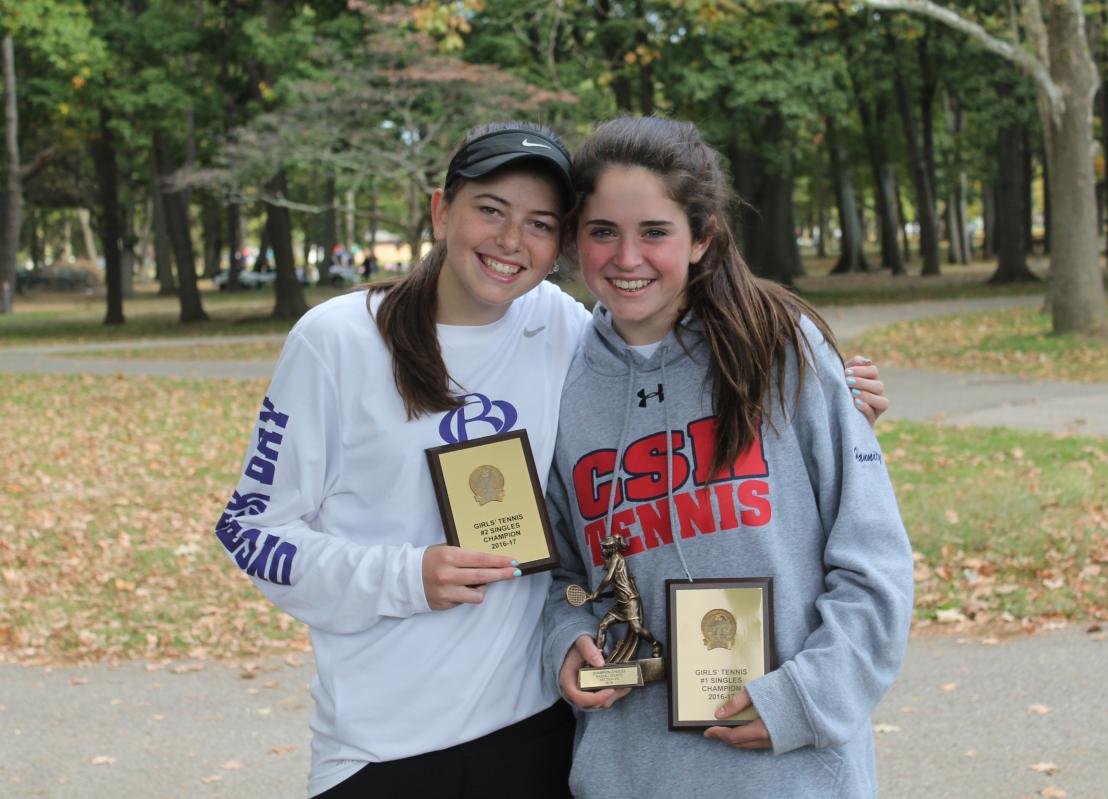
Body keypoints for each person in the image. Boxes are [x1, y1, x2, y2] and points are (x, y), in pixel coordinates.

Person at [215, 119, 890, 799]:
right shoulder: (358, 340)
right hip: (409, 748)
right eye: (490, 210)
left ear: (701, 237)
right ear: (441, 210)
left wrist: (836, 398)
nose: (512, 240)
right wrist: (428, 583)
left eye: (538, 223)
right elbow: (251, 530)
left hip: (585, 744)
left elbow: (870, 554)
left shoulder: (608, 337)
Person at [542, 117, 913, 798]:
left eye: (655, 231)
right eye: (603, 232)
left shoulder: (781, 347)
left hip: (791, 772)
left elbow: (874, 560)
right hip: (632, 775)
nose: (627, 257)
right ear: (574, 238)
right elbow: (558, 568)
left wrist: (808, 698)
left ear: (702, 237)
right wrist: (566, 637)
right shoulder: (560, 382)